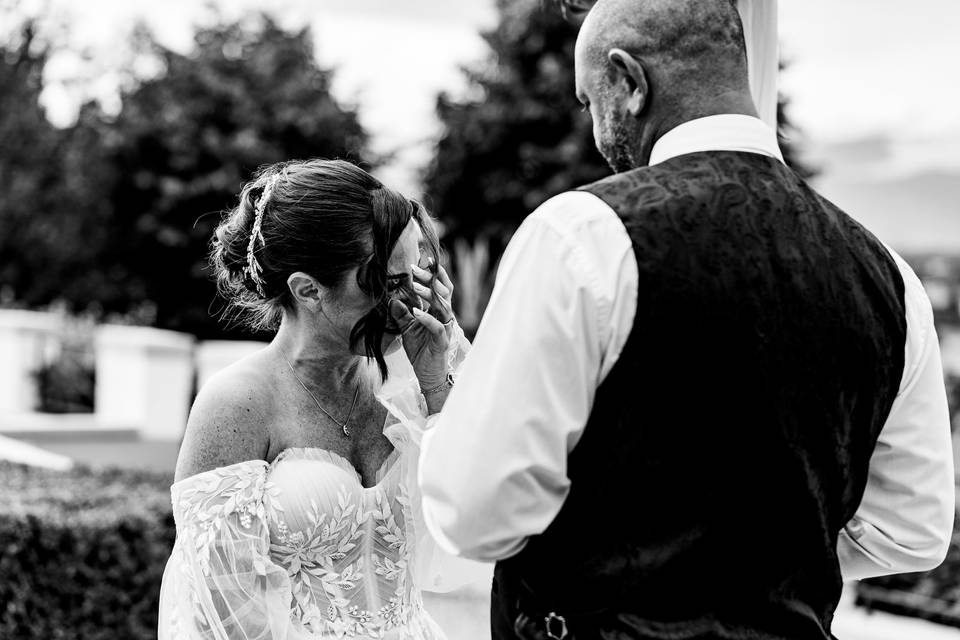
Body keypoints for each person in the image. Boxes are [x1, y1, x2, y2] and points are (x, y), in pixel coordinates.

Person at [418, 1, 956, 639]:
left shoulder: (582, 235)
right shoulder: (890, 277)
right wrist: (760, 568)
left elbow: (477, 510)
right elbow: (914, 531)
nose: (592, 129)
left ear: (629, 82)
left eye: (590, 102)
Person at [158, 158, 484, 639]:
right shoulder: (237, 405)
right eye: (389, 283)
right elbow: (222, 615)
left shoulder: (413, 374)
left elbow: (481, 519)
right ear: (307, 290)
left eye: (419, 273)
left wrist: (438, 386)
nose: (411, 303)